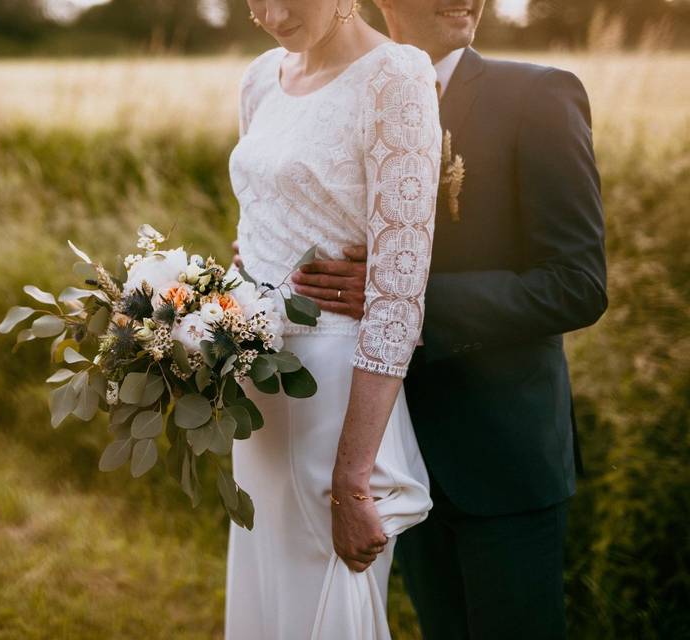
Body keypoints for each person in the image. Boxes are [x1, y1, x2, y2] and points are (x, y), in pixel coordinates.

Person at [282, 1, 609, 638]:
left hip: (502, 456)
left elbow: (578, 286)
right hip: (396, 448)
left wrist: (407, 299)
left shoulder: (538, 96)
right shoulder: (348, 96)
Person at [225, 1, 442, 638]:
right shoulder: (262, 76)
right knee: (269, 592)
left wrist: (352, 483)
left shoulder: (395, 78)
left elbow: (400, 296)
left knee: (324, 597)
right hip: (257, 387)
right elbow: (262, 212)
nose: (273, 12)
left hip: (333, 394)